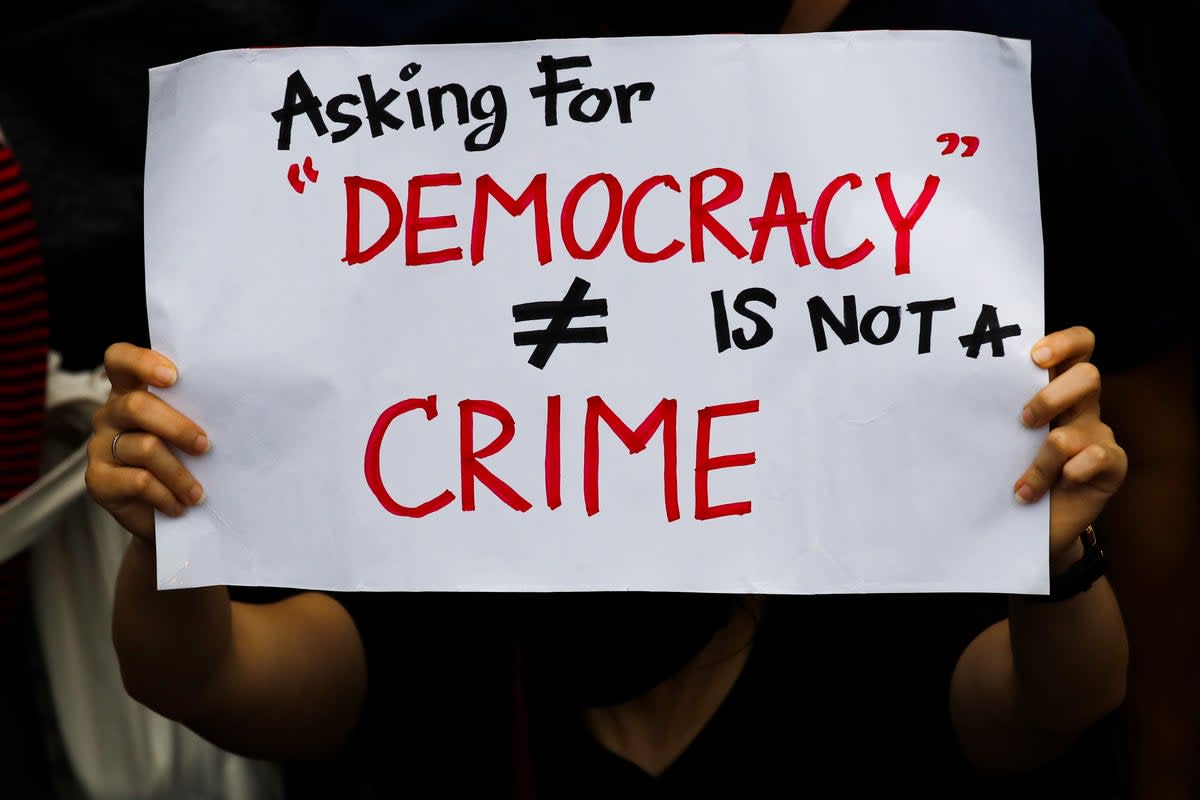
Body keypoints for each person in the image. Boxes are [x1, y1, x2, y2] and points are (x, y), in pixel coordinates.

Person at [87, 0, 1197, 797]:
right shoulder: (455, 598)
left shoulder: (858, 573)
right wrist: (170, 522)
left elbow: (1051, 700)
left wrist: (1057, 557)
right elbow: (208, 672)